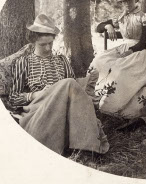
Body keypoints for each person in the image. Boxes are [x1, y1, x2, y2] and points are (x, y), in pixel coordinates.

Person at [9, 14, 109, 155]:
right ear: (33, 41)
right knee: (68, 83)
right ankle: (88, 148)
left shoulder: (61, 60)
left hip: (65, 108)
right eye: (43, 45)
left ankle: (84, 150)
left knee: (69, 83)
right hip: (40, 109)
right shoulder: (23, 63)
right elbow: (13, 98)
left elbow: (74, 91)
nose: (48, 48)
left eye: (50, 43)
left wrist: (86, 96)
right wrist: (36, 94)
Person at [90, 0, 146, 119]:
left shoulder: (145, 17)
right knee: (99, 61)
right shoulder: (121, 17)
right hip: (124, 47)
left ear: (136, 0)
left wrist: (126, 54)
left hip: (139, 52)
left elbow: (143, 43)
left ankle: (113, 106)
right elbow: (98, 28)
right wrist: (108, 25)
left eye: (129, 0)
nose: (126, 3)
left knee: (119, 69)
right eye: (124, 1)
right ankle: (94, 99)